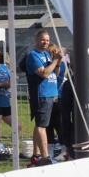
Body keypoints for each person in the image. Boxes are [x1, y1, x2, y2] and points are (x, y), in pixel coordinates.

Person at [25, 31, 64, 166]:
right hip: (42, 95)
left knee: (39, 124)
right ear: (36, 40)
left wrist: (57, 63)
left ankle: (36, 154)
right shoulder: (33, 55)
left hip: (51, 93)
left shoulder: (47, 54)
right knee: (42, 126)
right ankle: (45, 157)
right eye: (43, 40)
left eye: (47, 40)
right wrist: (55, 60)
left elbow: (56, 73)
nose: (46, 42)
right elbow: (44, 74)